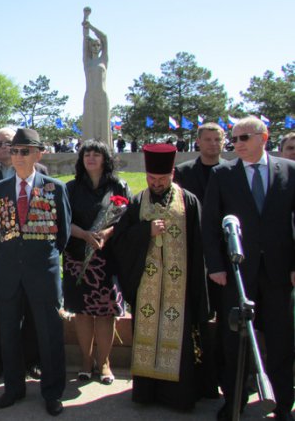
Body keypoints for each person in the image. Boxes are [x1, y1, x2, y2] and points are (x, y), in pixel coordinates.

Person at [202, 116, 295, 420]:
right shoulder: (223, 174)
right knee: (234, 344)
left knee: (281, 342)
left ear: (264, 137)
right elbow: (210, 224)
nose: (236, 144)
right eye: (234, 139)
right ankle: (234, 404)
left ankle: (282, 405)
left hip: (280, 274)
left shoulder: (289, 171)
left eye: (244, 138)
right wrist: (215, 265)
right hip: (237, 274)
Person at [112, 143, 209, 411]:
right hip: (147, 286)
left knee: (179, 339)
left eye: (162, 179)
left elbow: (199, 246)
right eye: (152, 179)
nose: (156, 184)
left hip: (181, 286)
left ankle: (177, 396)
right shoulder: (136, 202)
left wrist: (197, 287)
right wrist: (145, 231)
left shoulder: (188, 201)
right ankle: (146, 393)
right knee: (146, 337)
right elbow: (120, 241)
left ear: (172, 176)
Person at [0, 128, 70, 416]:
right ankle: (13, 388)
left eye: (25, 151)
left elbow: (64, 234)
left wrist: (42, 258)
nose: (19, 156)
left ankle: (52, 392)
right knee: (8, 333)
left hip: (42, 272)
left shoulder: (54, 188)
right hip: (9, 271)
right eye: (14, 151)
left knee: (49, 334)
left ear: (38, 154)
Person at [0, 127, 47, 381]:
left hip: (31, 254)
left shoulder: (41, 174)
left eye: (7, 144)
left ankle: (32, 360)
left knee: (31, 307)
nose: (2, 149)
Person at [63, 140, 129, 385]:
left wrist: (105, 234)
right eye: (86, 154)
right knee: (82, 312)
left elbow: (126, 219)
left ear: (105, 159)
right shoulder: (70, 188)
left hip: (105, 258)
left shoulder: (117, 186)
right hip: (77, 256)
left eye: (96, 154)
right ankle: (85, 360)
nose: (91, 158)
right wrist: (83, 235)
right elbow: (62, 220)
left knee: (104, 313)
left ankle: (104, 363)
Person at [173, 122, 226, 399]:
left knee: (227, 319)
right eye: (207, 139)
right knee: (196, 318)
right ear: (198, 142)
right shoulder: (182, 173)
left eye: (217, 139)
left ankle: (226, 375)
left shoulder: (231, 172)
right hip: (192, 257)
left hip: (225, 260)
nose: (213, 144)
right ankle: (197, 376)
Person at [81, 7, 111, 148]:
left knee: (103, 128)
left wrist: (91, 25)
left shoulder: (103, 60)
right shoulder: (87, 62)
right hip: (90, 95)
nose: (95, 46)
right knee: (90, 128)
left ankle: (107, 155)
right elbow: (85, 37)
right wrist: (85, 18)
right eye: (93, 44)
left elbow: (104, 37)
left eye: (97, 45)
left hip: (102, 95)